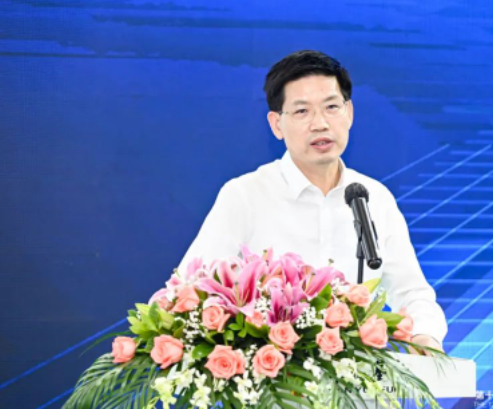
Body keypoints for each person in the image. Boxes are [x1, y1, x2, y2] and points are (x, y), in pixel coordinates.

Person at [177, 50, 447, 354]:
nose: (320, 124)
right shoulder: (245, 195)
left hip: (359, 378)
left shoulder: (374, 198)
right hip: (272, 379)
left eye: (331, 107)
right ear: (276, 124)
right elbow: (187, 290)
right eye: (302, 111)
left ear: (349, 113)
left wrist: (426, 338)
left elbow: (411, 292)